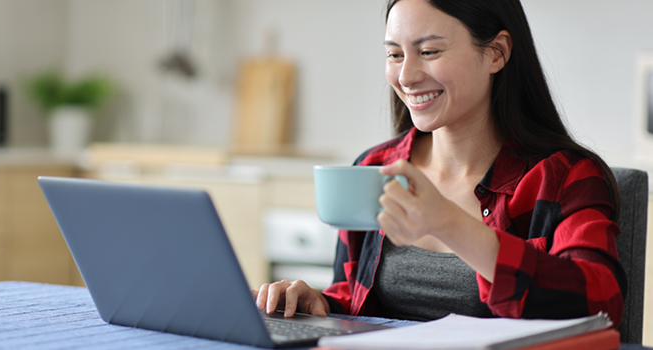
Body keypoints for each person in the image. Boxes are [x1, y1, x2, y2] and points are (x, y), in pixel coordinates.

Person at [254, 0, 626, 327]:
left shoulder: (563, 178)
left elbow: (601, 304)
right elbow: (354, 297)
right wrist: (321, 304)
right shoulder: (373, 167)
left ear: (496, 52)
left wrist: (450, 224)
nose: (405, 76)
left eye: (429, 52)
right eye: (395, 54)